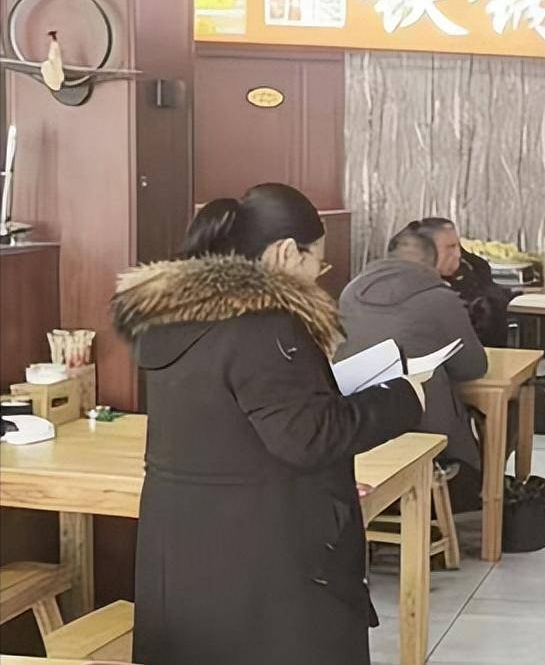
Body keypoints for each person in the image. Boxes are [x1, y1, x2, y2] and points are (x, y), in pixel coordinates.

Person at [110, 183, 428, 665]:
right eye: (317, 263)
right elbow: (309, 436)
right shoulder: (263, 322)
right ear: (285, 252)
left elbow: (236, 428)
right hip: (266, 565)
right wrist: (404, 398)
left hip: (183, 556)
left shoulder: (169, 316)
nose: (318, 279)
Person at [337, 222, 489, 484]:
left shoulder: (349, 292)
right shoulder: (439, 298)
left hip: (356, 427)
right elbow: (473, 367)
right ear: (431, 262)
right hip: (428, 434)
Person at [416, 217, 513, 347]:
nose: (457, 254)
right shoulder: (410, 288)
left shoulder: (475, 272)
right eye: (450, 248)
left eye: (458, 246)